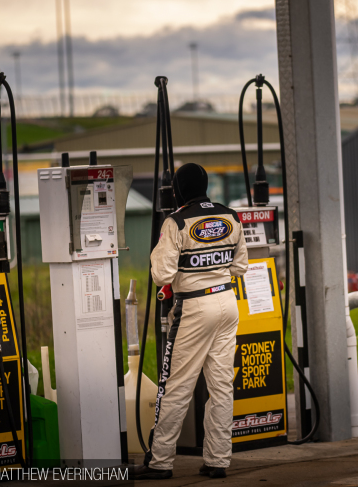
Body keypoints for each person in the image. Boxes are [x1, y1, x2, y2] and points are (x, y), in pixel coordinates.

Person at [135, 163, 248, 480]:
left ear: (178, 190)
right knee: (222, 387)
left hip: (195, 307)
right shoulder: (231, 216)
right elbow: (240, 267)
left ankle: (159, 463)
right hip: (227, 302)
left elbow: (162, 275)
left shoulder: (176, 222)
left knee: (176, 387)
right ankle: (218, 461)